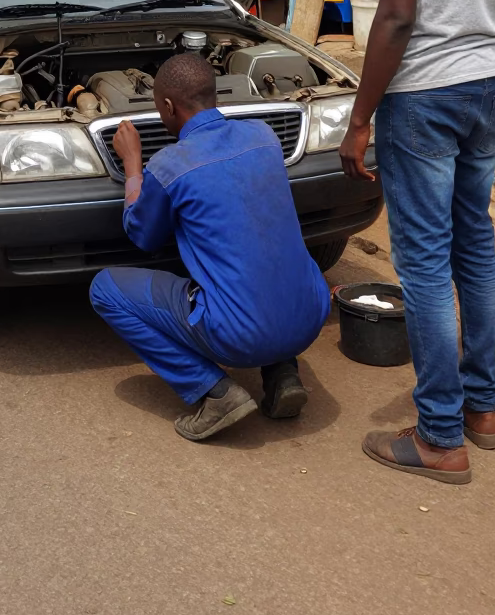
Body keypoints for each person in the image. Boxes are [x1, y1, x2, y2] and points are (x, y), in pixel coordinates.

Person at [340, 0, 495, 486]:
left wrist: (360, 117)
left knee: (427, 265)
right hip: (488, 85)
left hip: (426, 92)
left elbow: (396, 17)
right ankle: (485, 410)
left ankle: (440, 436)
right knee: (478, 245)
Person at [90, 52, 331, 441]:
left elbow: (144, 237)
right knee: (259, 253)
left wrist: (133, 167)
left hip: (238, 335)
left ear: (167, 106)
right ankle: (283, 373)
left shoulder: (169, 165)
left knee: (104, 288)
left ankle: (215, 392)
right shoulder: (264, 137)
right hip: (310, 315)